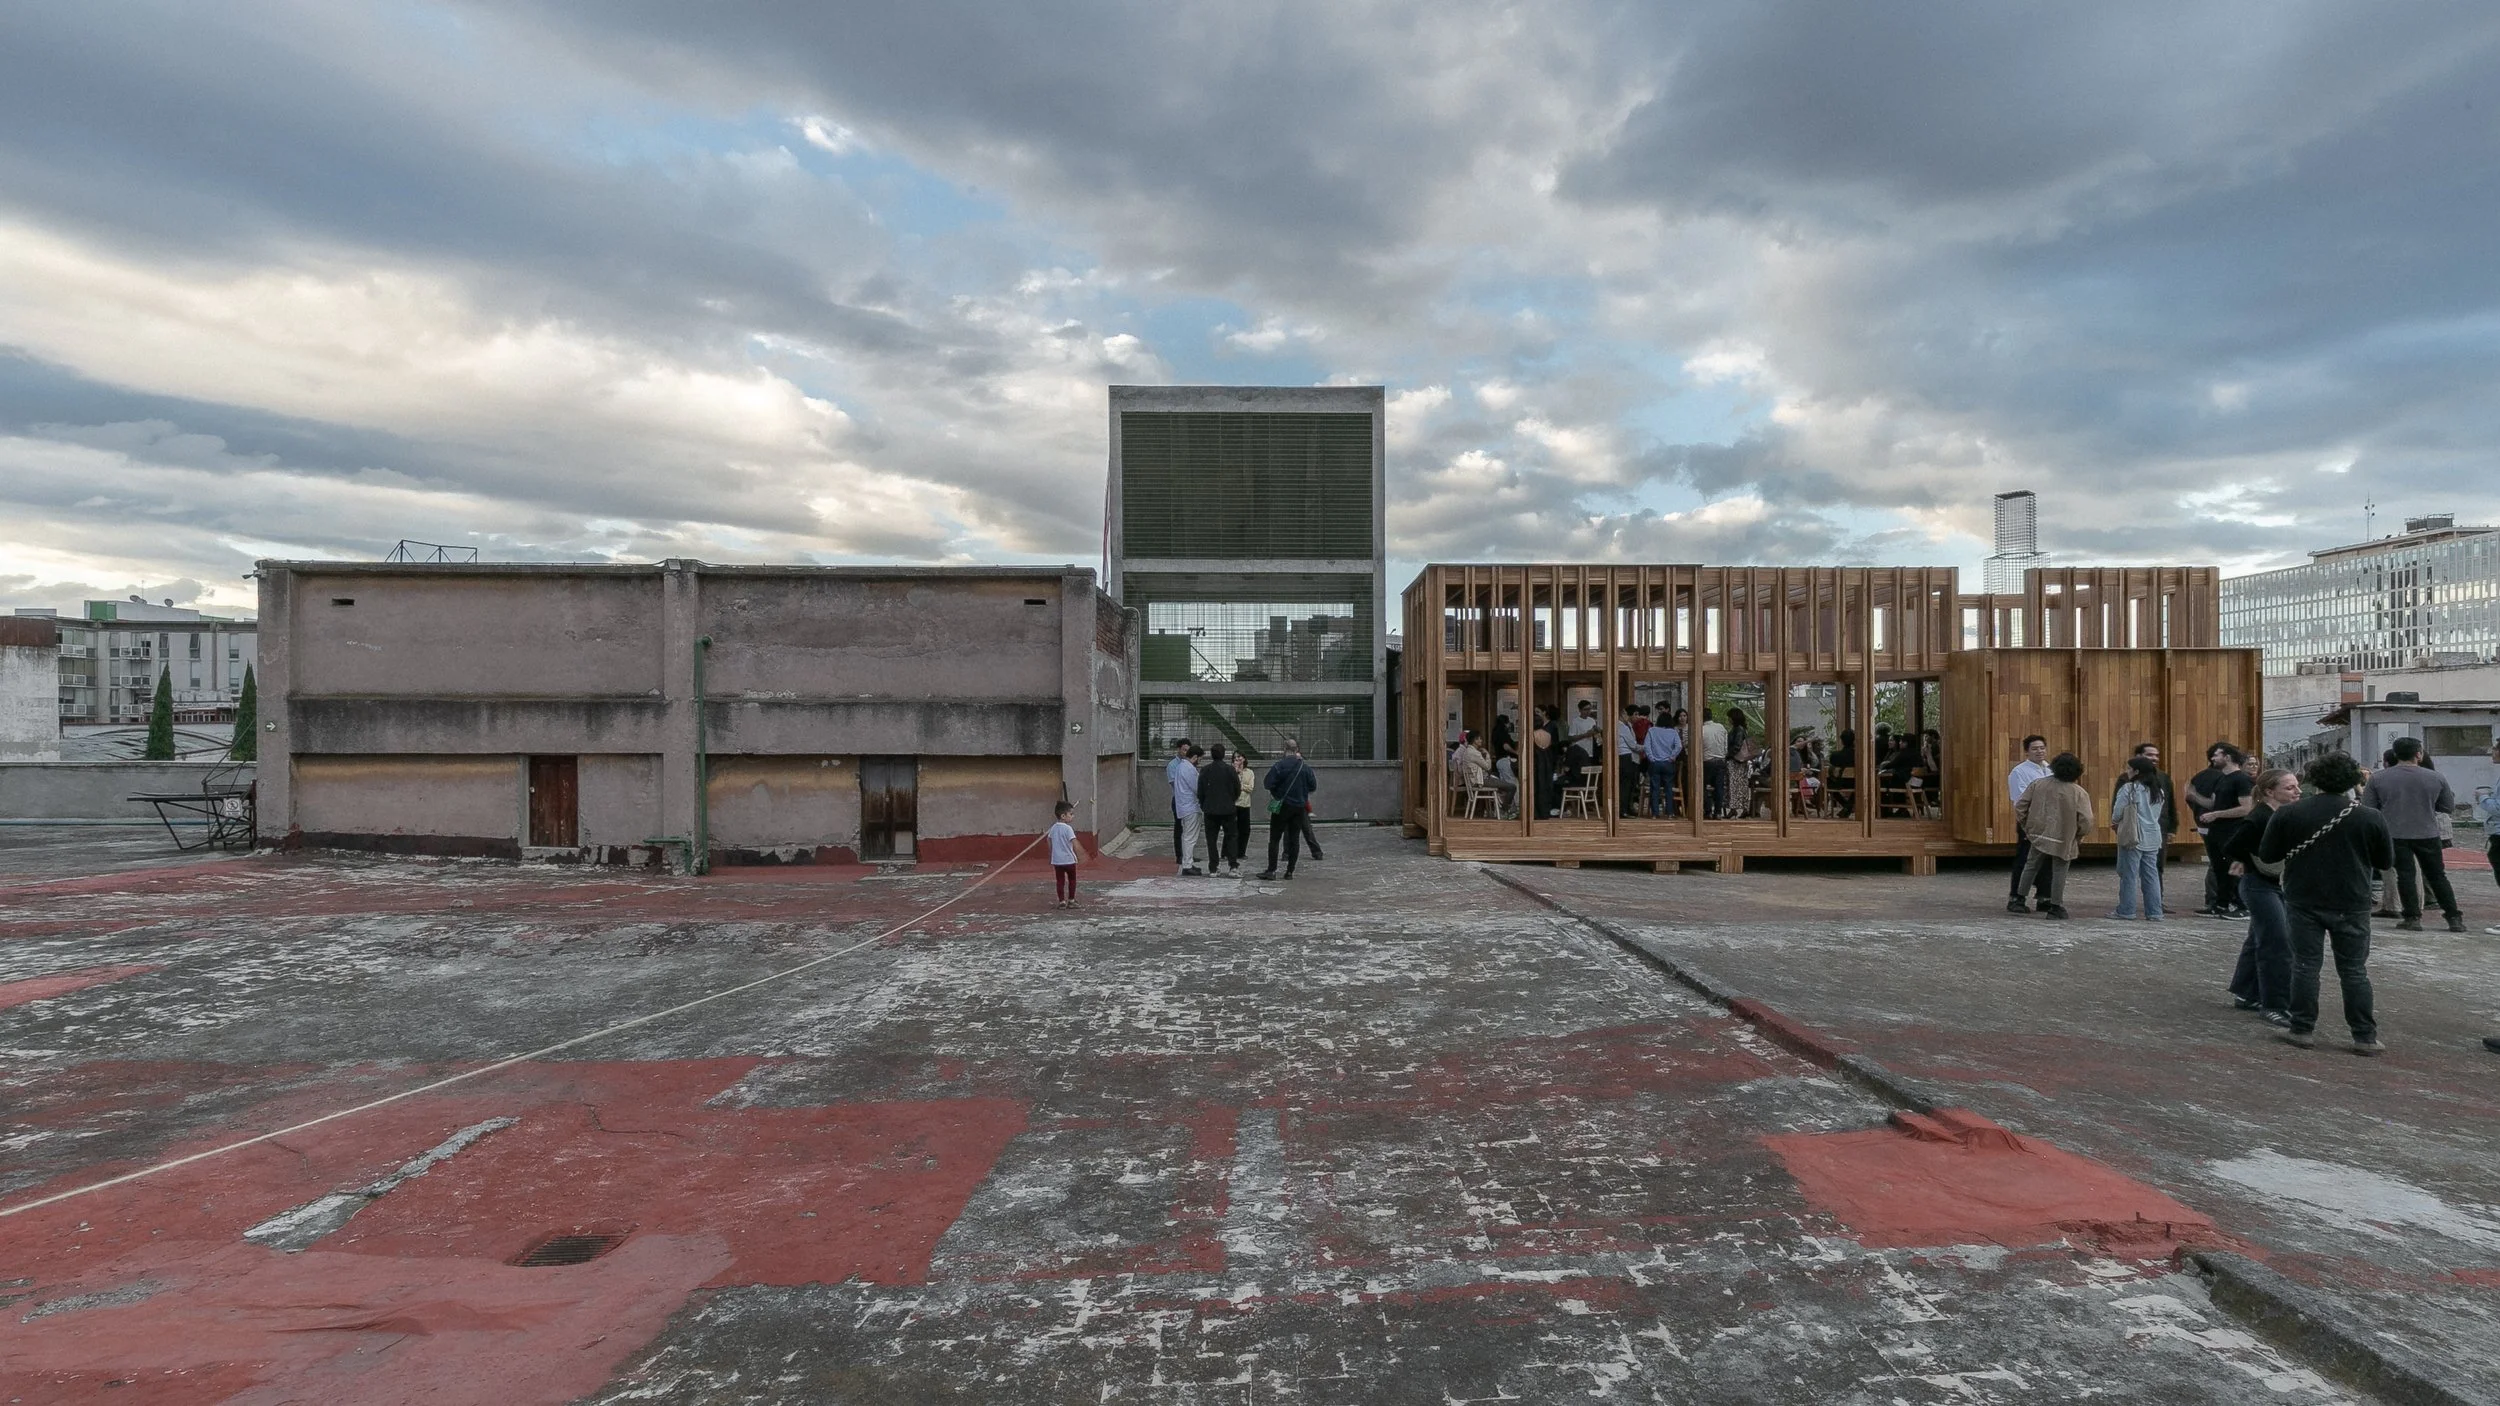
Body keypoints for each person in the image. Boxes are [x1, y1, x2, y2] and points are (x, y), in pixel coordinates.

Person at [2259, 752, 2394, 1054]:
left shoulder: (2290, 813)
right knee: (2354, 970)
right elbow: (2385, 861)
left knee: (2305, 965)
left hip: (2303, 897)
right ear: (2353, 780)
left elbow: (2268, 855)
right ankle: (2364, 1036)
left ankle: (2302, 1029)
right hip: (2353, 900)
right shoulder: (2370, 816)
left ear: (2314, 779)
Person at [2221, 767, 2300, 1025]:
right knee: (2277, 942)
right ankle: (2274, 1004)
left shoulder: (2280, 814)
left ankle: (2246, 993)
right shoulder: (2259, 817)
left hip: (2273, 884)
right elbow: (2232, 845)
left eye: (2296, 786)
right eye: (2290, 787)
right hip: (2259, 885)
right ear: (2269, 791)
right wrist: (2245, 859)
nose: (2297, 791)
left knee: (2259, 937)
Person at [2363, 737, 2463, 932]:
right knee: (2437, 876)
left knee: (2405, 876)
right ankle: (2453, 918)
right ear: (2419, 754)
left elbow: (2369, 808)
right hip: (2428, 833)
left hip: (2395, 833)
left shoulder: (2378, 778)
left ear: (2395, 754)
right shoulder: (2436, 777)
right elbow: (2447, 807)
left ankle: (2412, 917)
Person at [2013, 752, 2091, 919]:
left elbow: (2020, 806)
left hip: (2039, 834)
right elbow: (2086, 820)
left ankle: (2019, 899)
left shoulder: (2038, 784)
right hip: (2064, 837)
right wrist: (2079, 835)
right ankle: (2055, 906)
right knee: (2059, 871)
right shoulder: (2079, 792)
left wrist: (2027, 826)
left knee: (2030, 865)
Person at [2196, 744, 2256, 920]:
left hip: (2233, 831)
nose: (2213, 759)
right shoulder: (2221, 779)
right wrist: (2194, 796)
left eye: (2216, 755)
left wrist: (2216, 814)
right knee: (2220, 868)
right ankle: (2221, 904)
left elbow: (2246, 808)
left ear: (2227, 757)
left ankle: (2243, 906)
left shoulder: (2242, 779)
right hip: (2217, 831)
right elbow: (2214, 804)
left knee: (2234, 868)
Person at [2108, 756, 2168, 922]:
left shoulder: (2129, 788)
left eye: (2129, 769)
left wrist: (2115, 822)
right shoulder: (2158, 791)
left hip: (2133, 834)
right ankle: (2155, 911)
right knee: (2151, 874)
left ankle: (2126, 910)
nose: (2127, 772)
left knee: (2129, 874)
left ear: (2136, 771)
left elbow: (2118, 812)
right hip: (2153, 835)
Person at [1257, 738, 1319, 880]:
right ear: (1297, 750)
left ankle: (1271, 871)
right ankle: (1290, 872)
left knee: (1275, 838)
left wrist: (1277, 791)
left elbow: (1267, 783)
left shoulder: (1279, 766)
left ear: (1284, 749)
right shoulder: (1304, 767)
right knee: (1294, 839)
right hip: (1299, 807)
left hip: (1282, 806)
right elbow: (1313, 786)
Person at [2004, 735, 2053, 913]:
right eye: (2035, 749)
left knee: (2048, 860)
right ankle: (2016, 898)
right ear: (2027, 752)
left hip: (2050, 821)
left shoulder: (2050, 770)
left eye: (2042, 748)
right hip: (2030, 821)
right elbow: (2020, 800)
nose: (2039, 751)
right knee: (2025, 860)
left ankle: (2045, 897)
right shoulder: (2019, 772)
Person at [2184, 745, 2233, 915]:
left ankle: (2216, 900)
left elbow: (2189, 797)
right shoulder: (2223, 778)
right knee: (2222, 863)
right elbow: (2217, 803)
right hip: (2220, 825)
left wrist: (2198, 812)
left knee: (2216, 863)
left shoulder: (2199, 777)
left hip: (2203, 824)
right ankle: (2218, 900)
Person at [1199, 743, 1241, 875]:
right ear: (1223, 754)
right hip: (1228, 809)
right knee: (1231, 837)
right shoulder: (1230, 770)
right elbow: (1237, 788)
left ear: (1211, 755)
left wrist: (1204, 804)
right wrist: (1231, 800)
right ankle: (1233, 866)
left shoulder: (1205, 770)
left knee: (1211, 839)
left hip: (1210, 809)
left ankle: (1213, 867)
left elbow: (1200, 790)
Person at [1171, 742, 1206, 877]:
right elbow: (1197, 787)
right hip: (1190, 807)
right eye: (1199, 759)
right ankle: (1187, 865)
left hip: (1184, 806)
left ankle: (1187, 862)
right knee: (1190, 837)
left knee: (1187, 836)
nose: (1199, 762)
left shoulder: (1181, 766)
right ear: (1195, 757)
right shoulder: (1189, 769)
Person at [1642, 708, 1682, 818]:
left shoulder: (1652, 731)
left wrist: (1651, 757)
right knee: (1669, 788)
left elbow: (1646, 746)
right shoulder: (1673, 732)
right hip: (1668, 763)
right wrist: (1672, 756)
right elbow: (1679, 746)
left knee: (1655, 788)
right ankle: (1669, 813)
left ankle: (1655, 813)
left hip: (1655, 762)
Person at [1165, 738, 1195, 869]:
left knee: (1189, 829)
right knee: (1179, 828)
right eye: (1184, 750)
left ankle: (1188, 855)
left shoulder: (1190, 764)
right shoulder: (1173, 765)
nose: (1186, 752)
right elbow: (1174, 783)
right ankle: (1179, 855)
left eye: (1188, 750)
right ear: (1179, 749)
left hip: (1189, 800)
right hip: (1178, 799)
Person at [1046, 800, 1082, 907]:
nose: (1073, 816)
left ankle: (1061, 901)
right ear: (1063, 816)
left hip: (1057, 860)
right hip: (1069, 860)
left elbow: (1048, 840)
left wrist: (1052, 852)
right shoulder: (1068, 828)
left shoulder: (1053, 828)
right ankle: (1071, 900)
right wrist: (1081, 853)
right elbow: (1074, 842)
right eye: (1071, 814)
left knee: (1060, 881)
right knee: (1072, 879)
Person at [1226, 749, 1256, 871]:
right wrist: (1236, 773)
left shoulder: (1249, 772)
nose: (1238, 759)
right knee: (1231, 829)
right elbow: (1230, 786)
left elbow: (1250, 788)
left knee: (1245, 829)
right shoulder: (1230, 771)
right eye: (1235, 758)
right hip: (1233, 803)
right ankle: (1227, 852)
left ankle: (1241, 852)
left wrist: (1240, 785)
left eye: (1240, 757)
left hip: (1245, 803)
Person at [1700, 708, 1730, 818]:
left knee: (1702, 786)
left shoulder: (1701, 730)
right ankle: (1718, 812)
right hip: (1720, 760)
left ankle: (1707, 811)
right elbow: (1725, 745)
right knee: (1719, 787)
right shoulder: (1721, 727)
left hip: (1707, 761)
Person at [1531, 708, 1560, 819]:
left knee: (1536, 787)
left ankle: (1535, 812)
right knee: (1545, 786)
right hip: (1547, 761)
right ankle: (1545, 811)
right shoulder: (1548, 735)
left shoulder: (1532, 735)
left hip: (1536, 762)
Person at [1615, 705, 1643, 818]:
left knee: (1630, 784)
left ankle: (1628, 807)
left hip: (1629, 757)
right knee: (1625, 785)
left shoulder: (1628, 726)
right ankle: (1623, 810)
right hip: (1625, 756)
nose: (1637, 717)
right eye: (1635, 714)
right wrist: (1647, 747)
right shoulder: (1621, 726)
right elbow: (1633, 745)